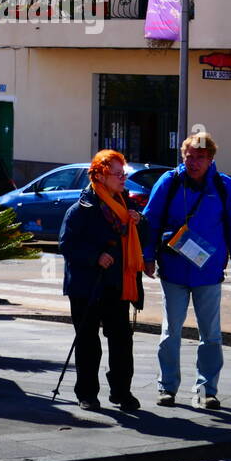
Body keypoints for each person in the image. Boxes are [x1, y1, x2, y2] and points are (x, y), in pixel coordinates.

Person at [142, 133, 231, 409]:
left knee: (211, 335)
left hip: (208, 272)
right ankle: (167, 388)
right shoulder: (169, 182)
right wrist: (147, 255)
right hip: (174, 270)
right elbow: (151, 221)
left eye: (200, 157)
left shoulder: (223, 186)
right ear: (182, 156)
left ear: (211, 159)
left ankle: (206, 390)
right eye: (189, 156)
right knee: (170, 332)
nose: (194, 162)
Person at [59, 150, 147, 412]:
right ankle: (87, 393)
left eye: (124, 174)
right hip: (87, 286)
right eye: (117, 174)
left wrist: (140, 222)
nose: (123, 179)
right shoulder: (81, 209)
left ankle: (122, 393)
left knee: (121, 340)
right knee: (87, 341)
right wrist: (95, 256)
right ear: (100, 176)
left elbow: (144, 238)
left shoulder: (128, 206)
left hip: (118, 285)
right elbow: (67, 244)